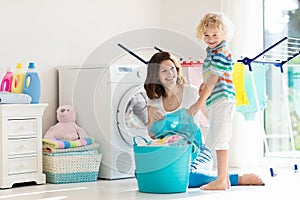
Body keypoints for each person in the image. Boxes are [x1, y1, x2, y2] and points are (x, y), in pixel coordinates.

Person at [144, 51, 264, 190]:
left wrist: (215, 99)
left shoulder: (192, 92)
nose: (170, 74)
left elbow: (213, 119)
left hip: (197, 151)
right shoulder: (154, 101)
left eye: (172, 69)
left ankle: (234, 178)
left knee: (186, 177)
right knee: (145, 174)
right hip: (168, 153)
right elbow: (152, 135)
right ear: (156, 76)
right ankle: (218, 177)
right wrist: (153, 118)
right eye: (164, 71)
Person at [187, 12, 236, 190]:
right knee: (218, 136)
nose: (210, 38)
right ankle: (225, 179)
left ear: (223, 34)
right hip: (217, 99)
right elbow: (211, 77)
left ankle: (222, 179)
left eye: (215, 35)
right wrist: (202, 85)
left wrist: (198, 104)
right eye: (207, 35)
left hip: (223, 99)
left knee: (220, 138)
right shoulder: (212, 52)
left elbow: (214, 80)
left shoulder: (222, 52)